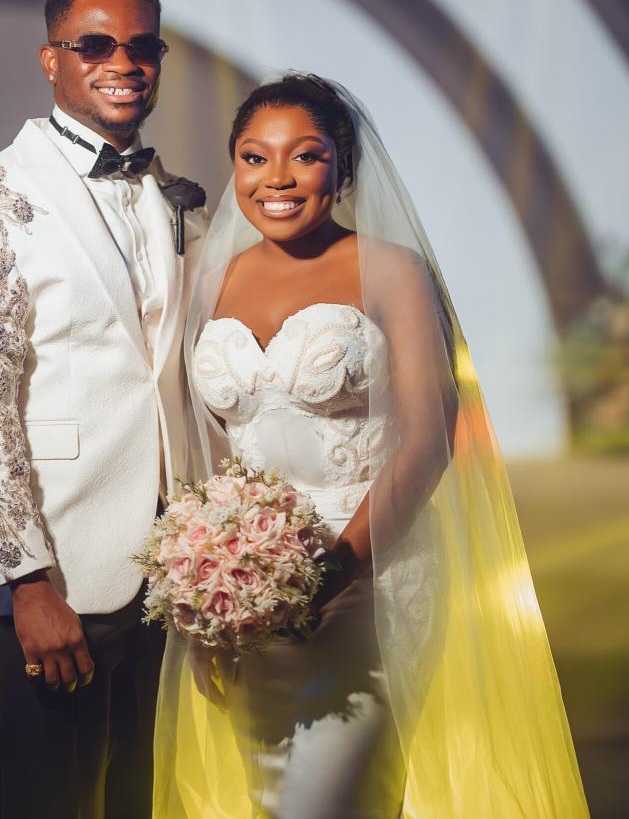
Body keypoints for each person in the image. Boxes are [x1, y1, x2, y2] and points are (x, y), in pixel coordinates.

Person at [153, 73, 589, 818]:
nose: (277, 178)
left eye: (305, 156)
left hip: (373, 575)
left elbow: (429, 435)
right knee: (268, 796)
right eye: (254, 157)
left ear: (343, 168)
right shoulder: (205, 279)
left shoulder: (391, 270)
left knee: (330, 800)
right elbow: (208, 454)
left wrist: (329, 574)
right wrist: (211, 596)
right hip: (248, 590)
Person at [0, 0, 207, 819]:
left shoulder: (180, 201)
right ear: (51, 59)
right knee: (48, 800)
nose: (124, 62)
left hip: (183, 571)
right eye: (95, 44)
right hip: (60, 568)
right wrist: (27, 581)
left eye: (142, 46)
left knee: (151, 799)